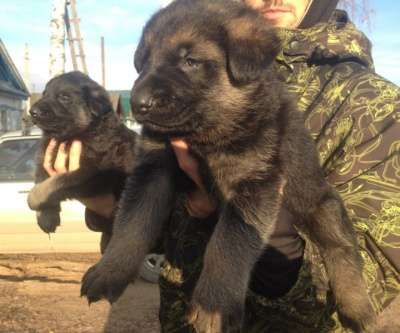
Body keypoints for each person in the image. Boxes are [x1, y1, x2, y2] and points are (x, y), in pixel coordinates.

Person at [43, 0, 400, 332]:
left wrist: (254, 265)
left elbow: (382, 269)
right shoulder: (196, 47)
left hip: (303, 294)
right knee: (152, 173)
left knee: (334, 235)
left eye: (189, 62)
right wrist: (110, 223)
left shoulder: (371, 105)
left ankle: (355, 307)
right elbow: (152, 197)